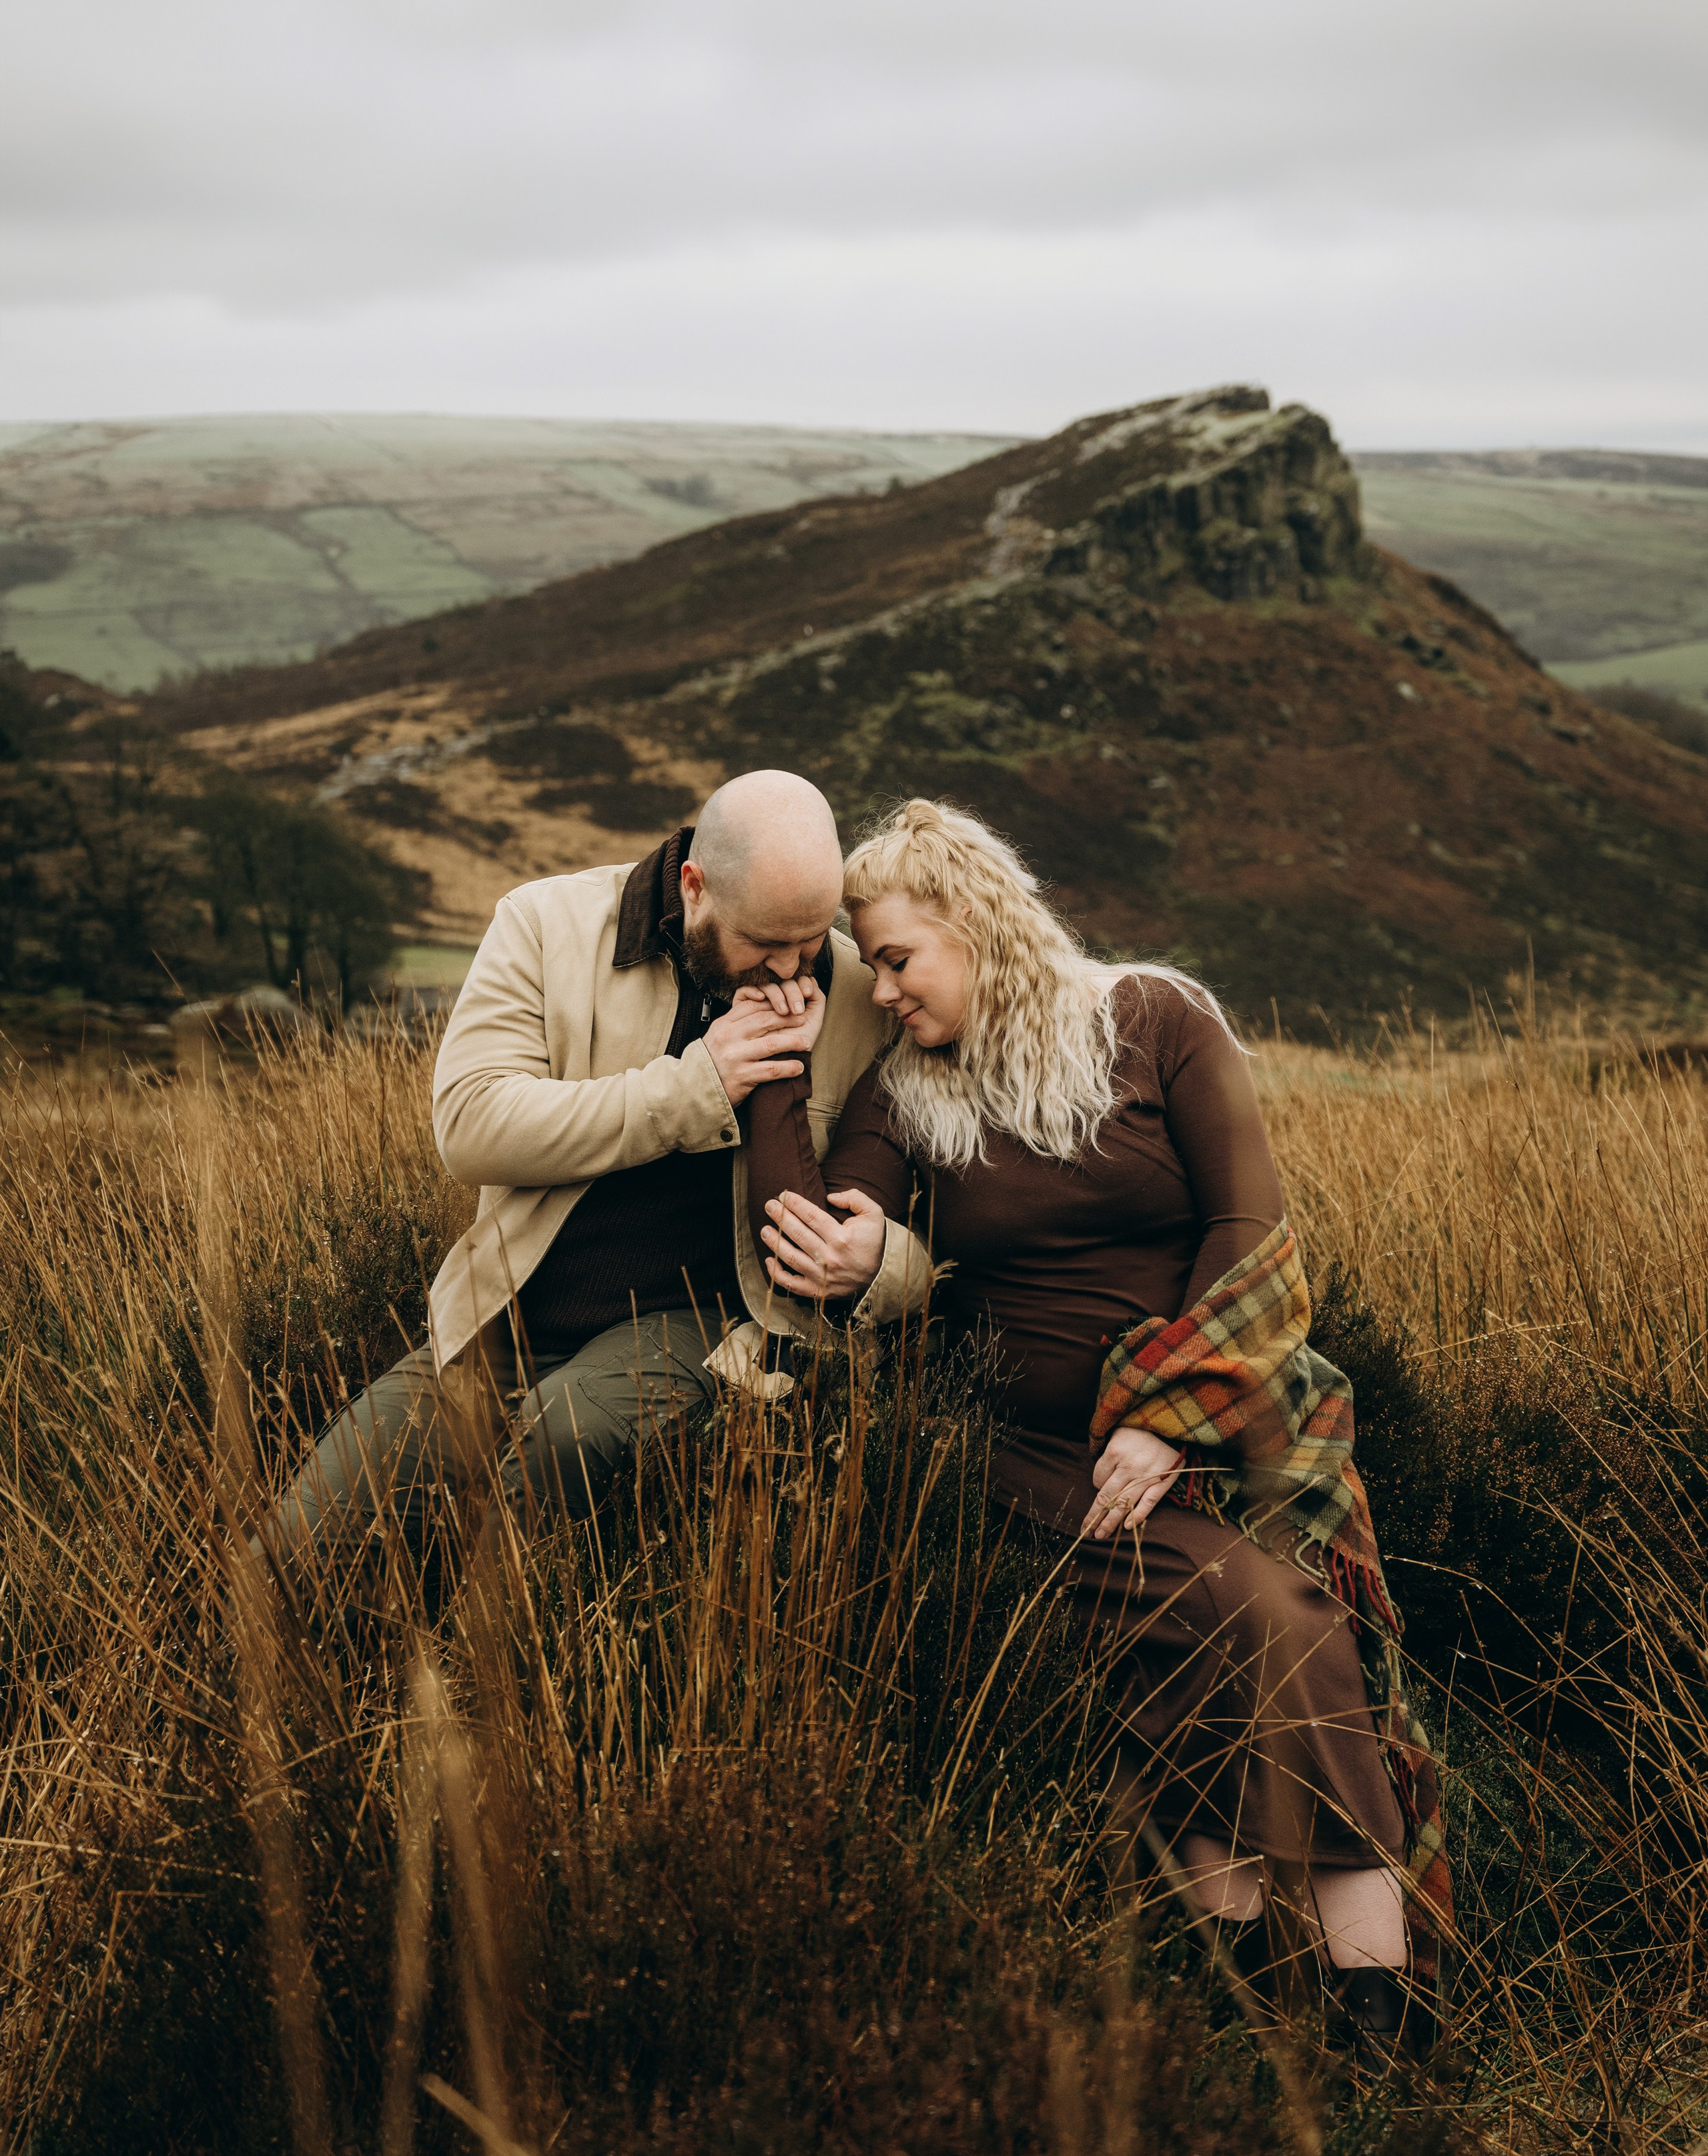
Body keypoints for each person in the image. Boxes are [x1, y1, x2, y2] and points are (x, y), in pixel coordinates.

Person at [745, 797, 1444, 2047]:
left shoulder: (1156, 1020)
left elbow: (1253, 1234)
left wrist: (1170, 1414)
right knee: (1261, 1618)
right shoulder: (907, 1098)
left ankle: (1365, 2032)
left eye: (898, 961)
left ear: (977, 923)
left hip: (1216, 1434)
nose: (885, 993)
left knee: (1283, 1627)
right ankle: (1283, 2007)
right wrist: (771, 1086)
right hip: (1026, 1463)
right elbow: (820, 1247)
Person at [258, 769, 931, 1580]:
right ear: (695, 887)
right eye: (765, 944)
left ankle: (486, 1686)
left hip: (703, 1324)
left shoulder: (865, 993)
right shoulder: (546, 924)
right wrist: (694, 1089)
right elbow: (470, 1127)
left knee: (566, 1431)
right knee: (295, 1556)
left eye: (812, 939)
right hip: (507, 1319)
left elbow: (933, 1204)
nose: (791, 970)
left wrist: (886, 1266)